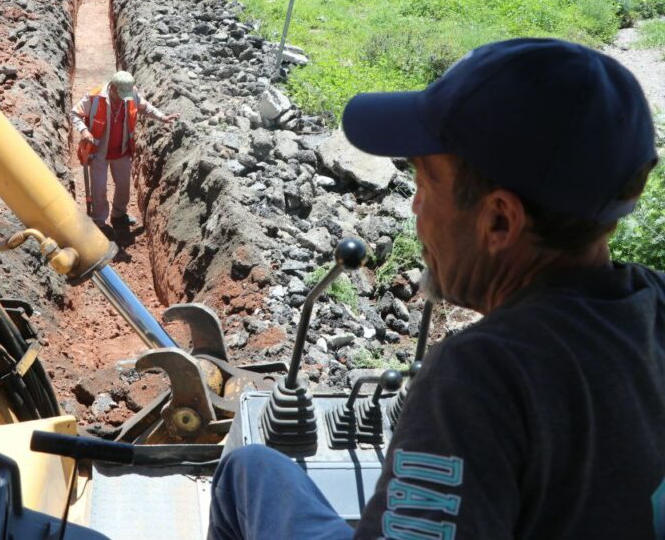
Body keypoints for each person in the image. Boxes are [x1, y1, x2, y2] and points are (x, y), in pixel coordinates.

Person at [209, 38, 665, 539]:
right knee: (252, 471)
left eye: (424, 185)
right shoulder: (655, 304)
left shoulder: (483, 378)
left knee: (243, 473)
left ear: (498, 220)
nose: (413, 209)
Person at [70, 71, 178, 231]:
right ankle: (99, 221)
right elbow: (75, 113)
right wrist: (84, 131)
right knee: (99, 188)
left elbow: (145, 107)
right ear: (112, 88)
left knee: (123, 186)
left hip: (122, 150)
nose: (123, 99)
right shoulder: (95, 97)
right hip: (99, 151)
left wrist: (162, 117)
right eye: (120, 95)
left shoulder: (131, 94)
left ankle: (119, 215)